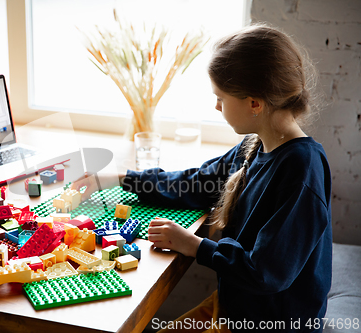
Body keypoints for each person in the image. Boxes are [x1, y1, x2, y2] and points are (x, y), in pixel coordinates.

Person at [72, 24, 331, 332]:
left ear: (254, 103)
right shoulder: (255, 144)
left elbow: (266, 273)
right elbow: (196, 182)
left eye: (220, 97)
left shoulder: (301, 171)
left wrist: (195, 245)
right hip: (235, 307)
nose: (217, 106)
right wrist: (119, 178)